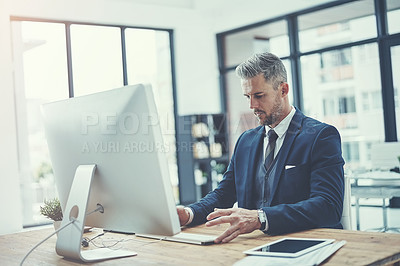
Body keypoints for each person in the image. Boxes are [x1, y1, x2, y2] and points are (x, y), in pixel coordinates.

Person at [177, 52, 345, 243]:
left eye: (259, 95)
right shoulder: (245, 141)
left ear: (283, 90)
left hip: (309, 244)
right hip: (255, 246)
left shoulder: (320, 136)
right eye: (247, 96)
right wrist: (189, 213)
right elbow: (224, 193)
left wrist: (261, 218)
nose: (251, 105)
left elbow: (328, 206)